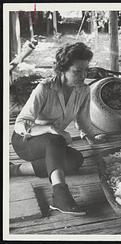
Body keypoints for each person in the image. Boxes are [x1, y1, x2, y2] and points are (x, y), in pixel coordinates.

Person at [10, 42, 105, 215]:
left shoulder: (83, 90)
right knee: (56, 139)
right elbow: (20, 124)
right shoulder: (44, 89)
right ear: (62, 68)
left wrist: (95, 137)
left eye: (86, 70)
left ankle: (14, 170)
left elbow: (83, 121)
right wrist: (48, 128)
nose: (83, 75)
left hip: (53, 144)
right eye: (77, 71)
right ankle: (60, 195)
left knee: (75, 160)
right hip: (26, 141)